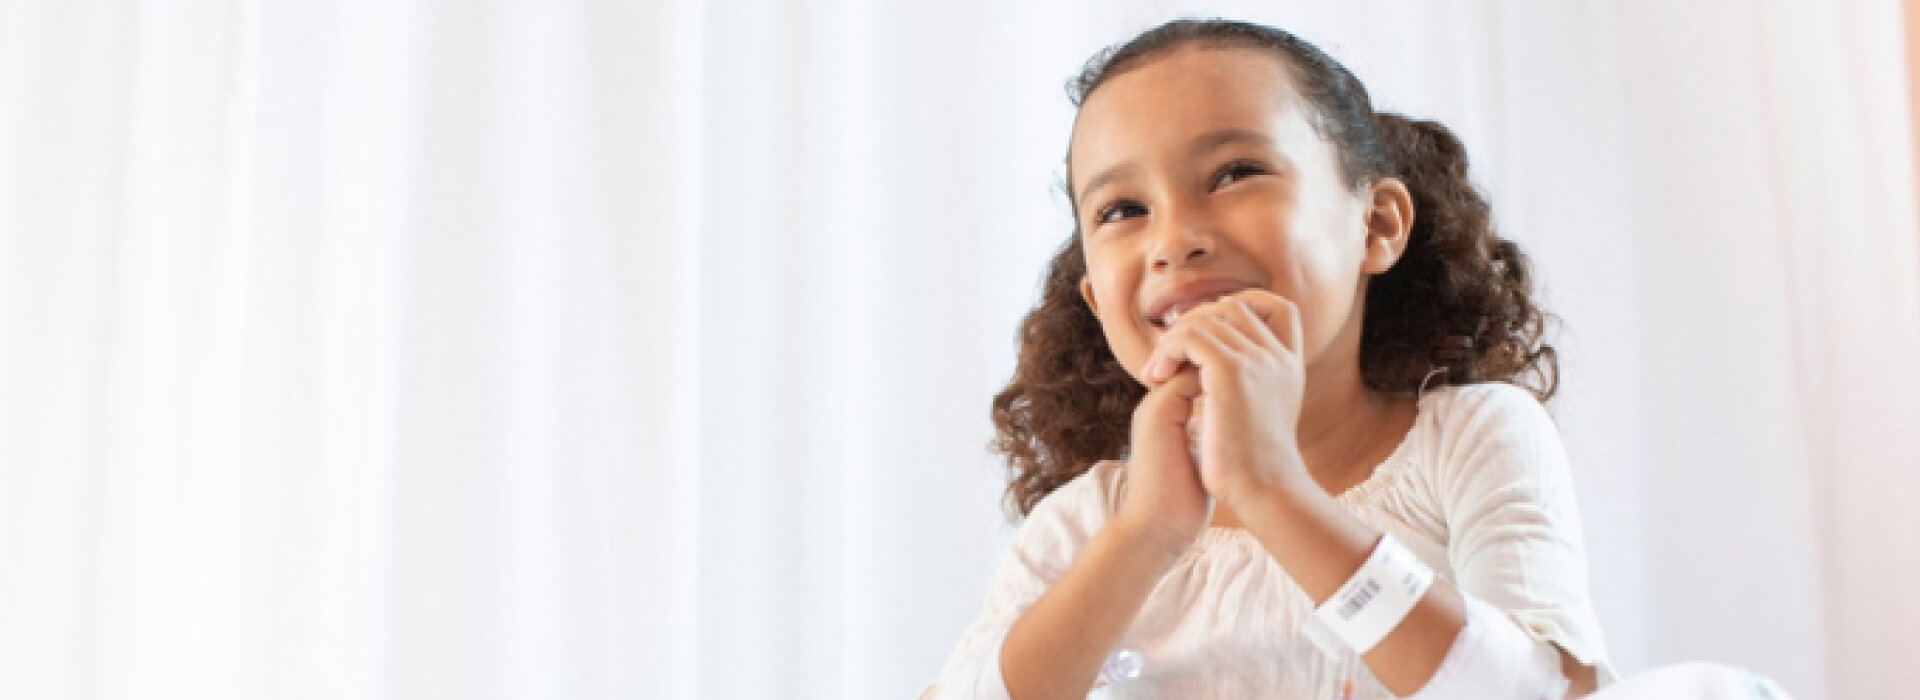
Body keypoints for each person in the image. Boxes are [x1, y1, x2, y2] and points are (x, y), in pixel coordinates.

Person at [923, 18, 1610, 699]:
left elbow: (1552, 694)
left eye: (1234, 173)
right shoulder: (1087, 525)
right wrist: (1146, 534)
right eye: (1123, 209)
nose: (1175, 239)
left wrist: (1271, 488)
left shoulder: (1471, 438)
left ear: (1375, 225)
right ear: (1098, 302)